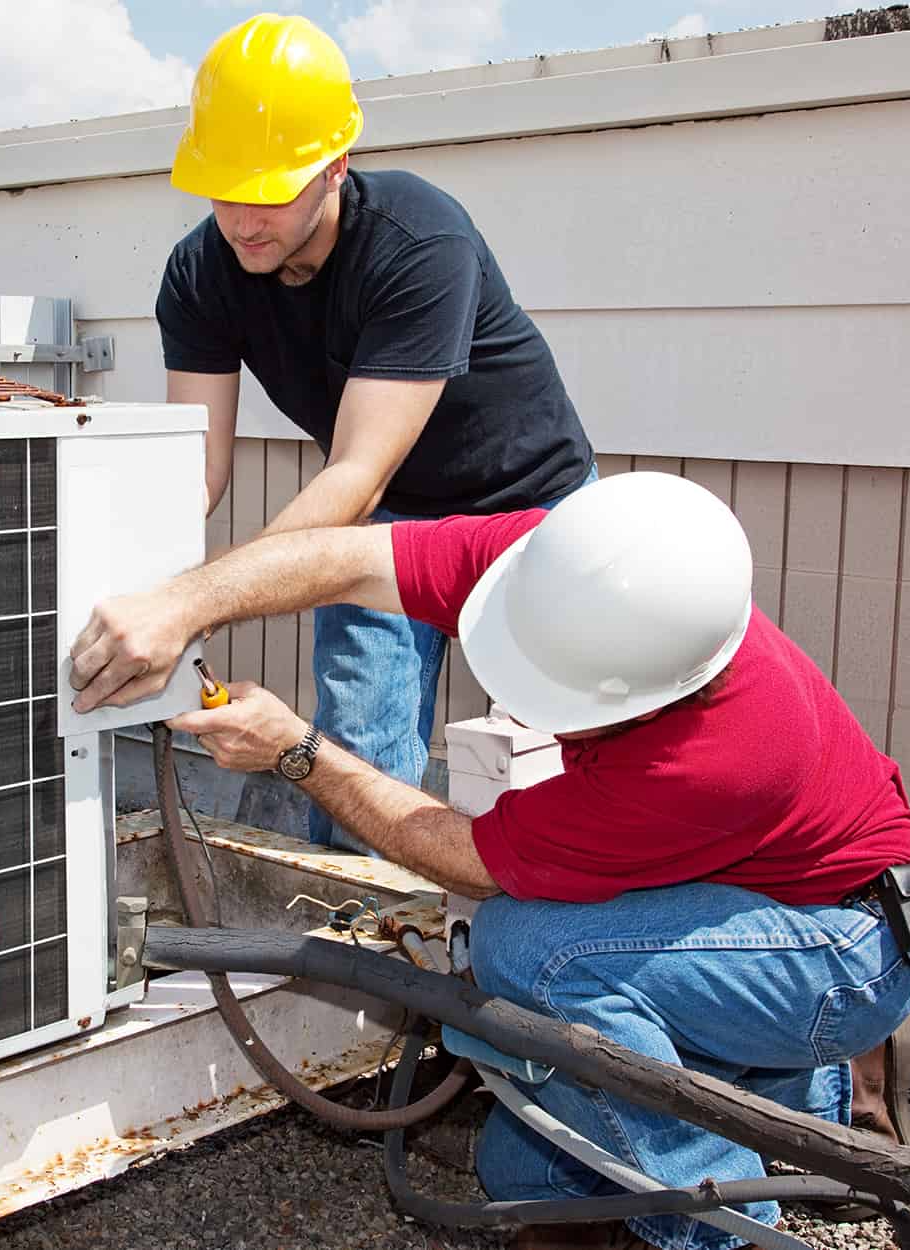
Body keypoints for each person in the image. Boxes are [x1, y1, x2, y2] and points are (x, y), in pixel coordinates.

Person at [68, 472, 910, 1250]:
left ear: (653, 698)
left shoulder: (712, 759)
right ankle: (820, 1108)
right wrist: (184, 604)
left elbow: (470, 860)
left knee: (528, 952)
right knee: (523, 1177)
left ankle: (721, 1224)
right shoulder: (563, 568)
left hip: (842, 950)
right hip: (756, 896)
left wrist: (298, 750)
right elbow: (339, 557)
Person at [159, 13, 595, 848]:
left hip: (532, 510)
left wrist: (196, 602)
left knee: (573, 744)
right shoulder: (199, 273)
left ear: (335, 167)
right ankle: (363, 954)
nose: (246, 220)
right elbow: (199, 467)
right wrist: (147, 582)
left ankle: (557, 940)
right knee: (355, 750)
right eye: (226, 190)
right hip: (388, 517)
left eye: (274, 191)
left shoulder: (418, 240)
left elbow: (355, 469)